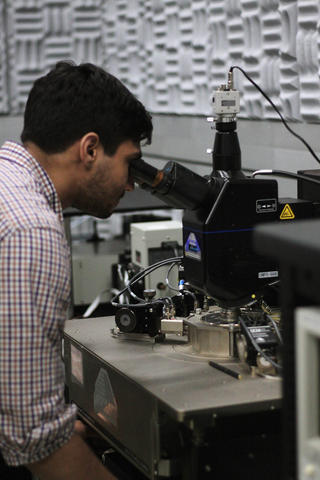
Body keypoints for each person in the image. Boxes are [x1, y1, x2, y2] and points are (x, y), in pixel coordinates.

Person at [0, 61, 153, 479]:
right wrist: (57, 441)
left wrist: (61, 430)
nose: (131, 184)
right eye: (130, 163)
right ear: (89, 149)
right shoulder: (31, 230)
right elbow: (34, 441)